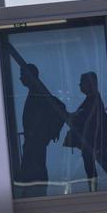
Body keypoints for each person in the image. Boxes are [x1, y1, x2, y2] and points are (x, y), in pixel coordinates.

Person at [14, 64, 67, 197]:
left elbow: (60, 107)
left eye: (23, 74)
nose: (20, 78)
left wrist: (51, 131)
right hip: (33, 142)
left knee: (34, 173)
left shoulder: (38, 93)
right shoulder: (36, 92)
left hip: (34, 143)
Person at [64, 71, 107, 192]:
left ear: (89, 84)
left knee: (94, 169)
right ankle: (94, 190)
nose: (79, 85)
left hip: (93, 142)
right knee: (93, 168)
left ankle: (94, 191)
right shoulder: (93, 99)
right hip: (93, 142)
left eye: (82, 82)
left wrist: (70, 116)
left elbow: (84, 118)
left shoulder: (93, 100)